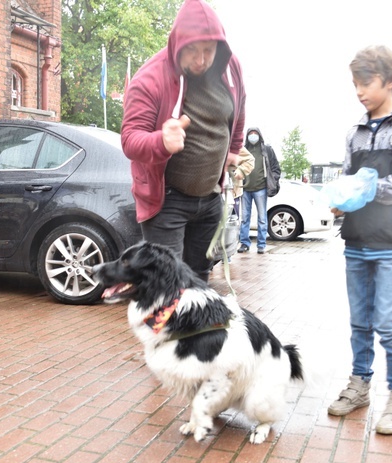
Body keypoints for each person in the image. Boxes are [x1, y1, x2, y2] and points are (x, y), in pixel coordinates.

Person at [327, 45, 392, 435]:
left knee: (387, 322)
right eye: (355, 84)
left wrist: (374, 189)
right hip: (355, 240)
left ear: (389, 80)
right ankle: (359, 386)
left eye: (366, 83)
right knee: (359, 321)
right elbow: (347, 178)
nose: (359, 91)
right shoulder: (355, 132)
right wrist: (341, 200)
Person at [120, 0, 246, 282]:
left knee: (199, 281)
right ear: (177, 45)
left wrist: (235, 148)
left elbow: (239, 108)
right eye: (192, 51)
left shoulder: (230, 67)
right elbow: (129, 139)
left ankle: (193, 329)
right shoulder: (149, 78)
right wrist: (161, 141)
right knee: (165, 285)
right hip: (167, 201)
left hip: (211, 196)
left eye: (208, 51)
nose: (201, 60)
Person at [237, 127, 281, 254]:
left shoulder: (267, 150)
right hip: (245, 189)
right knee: (245, 218)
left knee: (262, 218)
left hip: (261, 189)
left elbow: (275, 168)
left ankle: (261, 244)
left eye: (255, 134)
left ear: (260, 135)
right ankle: (244, 243)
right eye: (251, 134)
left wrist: (273, 180)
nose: (253, 136)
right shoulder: (243, 149)